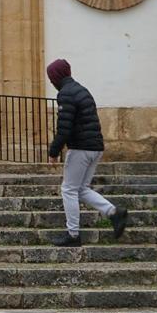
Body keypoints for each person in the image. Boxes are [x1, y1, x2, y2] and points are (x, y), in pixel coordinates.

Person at [46, 58, 128, 247]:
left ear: (56, 76)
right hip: (95, 147)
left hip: (81, 149)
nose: (51, 82)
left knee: (68, 189)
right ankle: (114, 213)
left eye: (51, 78)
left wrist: (54, 150)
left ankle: (73, 235)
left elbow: (64, 128)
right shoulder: (81, 89)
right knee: (81, 189)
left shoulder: (66, 94)